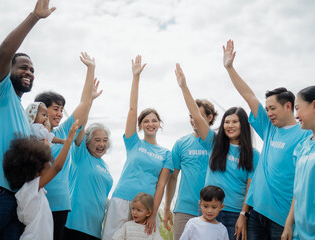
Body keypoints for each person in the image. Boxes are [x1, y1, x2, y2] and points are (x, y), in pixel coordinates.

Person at [0, 0, 55, 238]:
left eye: (32, 70)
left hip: (17, 199)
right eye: (23, 67)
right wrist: (34, 17)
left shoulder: (24, 118)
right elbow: (3, 52)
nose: (29, 72)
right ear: (8, 69)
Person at [222, 39, 311, 239]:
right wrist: (229, 68)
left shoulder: (305, 134)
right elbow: (249, 97)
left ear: (288, 106)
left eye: (273, 108)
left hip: (283, 218)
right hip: (256, 213)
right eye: (267, 109)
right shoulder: (269, 129)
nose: (268, 113)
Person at [175, 63, 260, 240]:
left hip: (235, 215)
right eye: (227, 122)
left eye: (235, 122)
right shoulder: (214, 143)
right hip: (208, 210)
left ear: (243, 125)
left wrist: (243, 215)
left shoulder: (253, 154)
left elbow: (250, 188)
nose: (230, 125)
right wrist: (184, 87)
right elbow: (197, 117)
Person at [102, 55, 174, 240]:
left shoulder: (166, 154)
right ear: (140, 125)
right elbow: (132, 109)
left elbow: (161, 185)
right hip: (121, 199)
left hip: (147, 207)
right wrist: (136, 77)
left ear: (160, 124)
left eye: (154, 121)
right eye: (146, 121)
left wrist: (153, 212)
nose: (150, 124)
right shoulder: (134, 142)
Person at [34, 52, 100, 240]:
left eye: (62, 110)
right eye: (56, 109)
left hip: (59, 205)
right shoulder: (29, 133)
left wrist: (90, 69)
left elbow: (84, 104)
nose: (60, 114)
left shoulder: (63, 132)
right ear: (41, 109)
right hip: (33, 203)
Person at [2, 121, 78, 240]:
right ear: (36, 169)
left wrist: (46, 145)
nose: (50, 160)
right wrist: (68, 140)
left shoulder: (31, 190)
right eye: (46, 159)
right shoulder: (29, 189)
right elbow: (57, 167)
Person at [281, 86, 315, 240]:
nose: (296, 115)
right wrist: (288, 225)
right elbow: (298, 190)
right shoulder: (302, 146)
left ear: (314, 105)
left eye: (298, 109)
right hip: (299, 233)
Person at [163, 99, 217, 240]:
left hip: (212, 209)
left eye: (197, 116)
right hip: (185, 209)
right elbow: (172, 177)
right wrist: (167, 207)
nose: (193, 120)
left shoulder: (217, 142)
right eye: (191, 116)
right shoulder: (181, 144)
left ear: (210, 117)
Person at [64, 123, 113, 240]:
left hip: (95, 228)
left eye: (105, 140)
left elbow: (99, 194)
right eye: (97, 140)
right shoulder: (80, 156)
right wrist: (87, 104)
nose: (102, 144)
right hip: (75, 225)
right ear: (87, 142)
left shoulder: (104, 166)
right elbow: (81, 123)